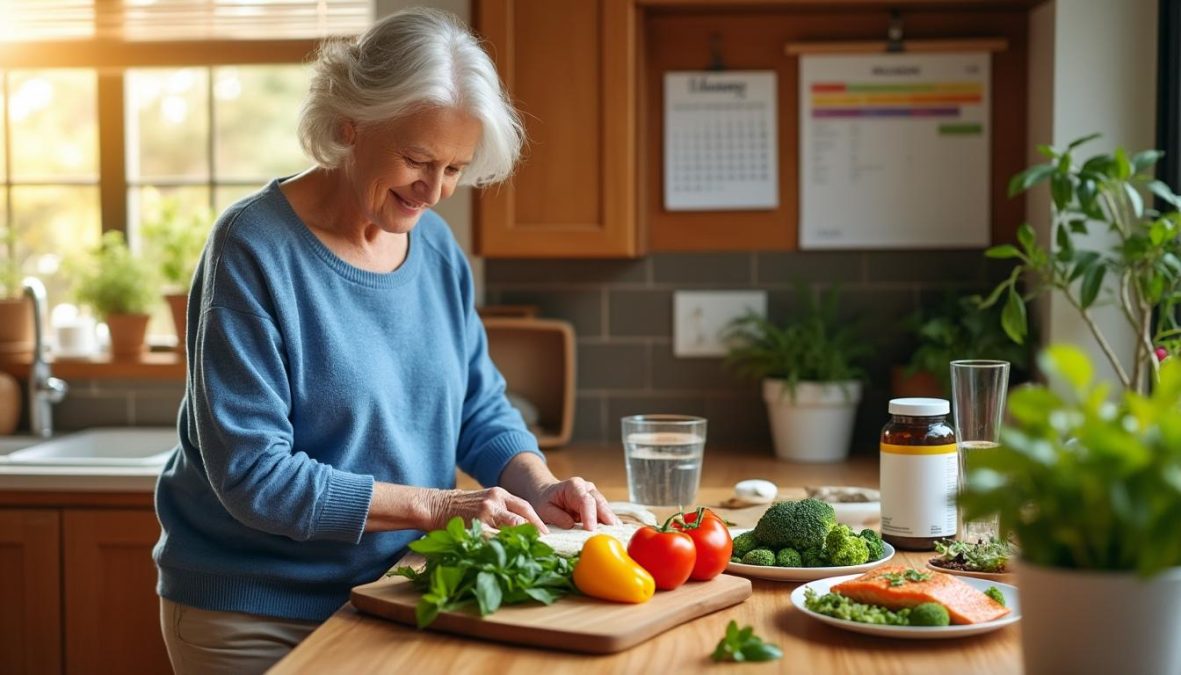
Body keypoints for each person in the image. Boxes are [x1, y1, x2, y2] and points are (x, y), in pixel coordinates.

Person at [152, 9, 617, 674]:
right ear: (351, 123)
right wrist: (436, 504)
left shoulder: (434, 247)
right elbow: (255, 476)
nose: (434, 191)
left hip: (392, 590)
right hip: (254, 609)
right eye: (418, 159)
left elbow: (477, 409)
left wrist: (540, 485)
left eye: (455, 167)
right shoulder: (252, 248)